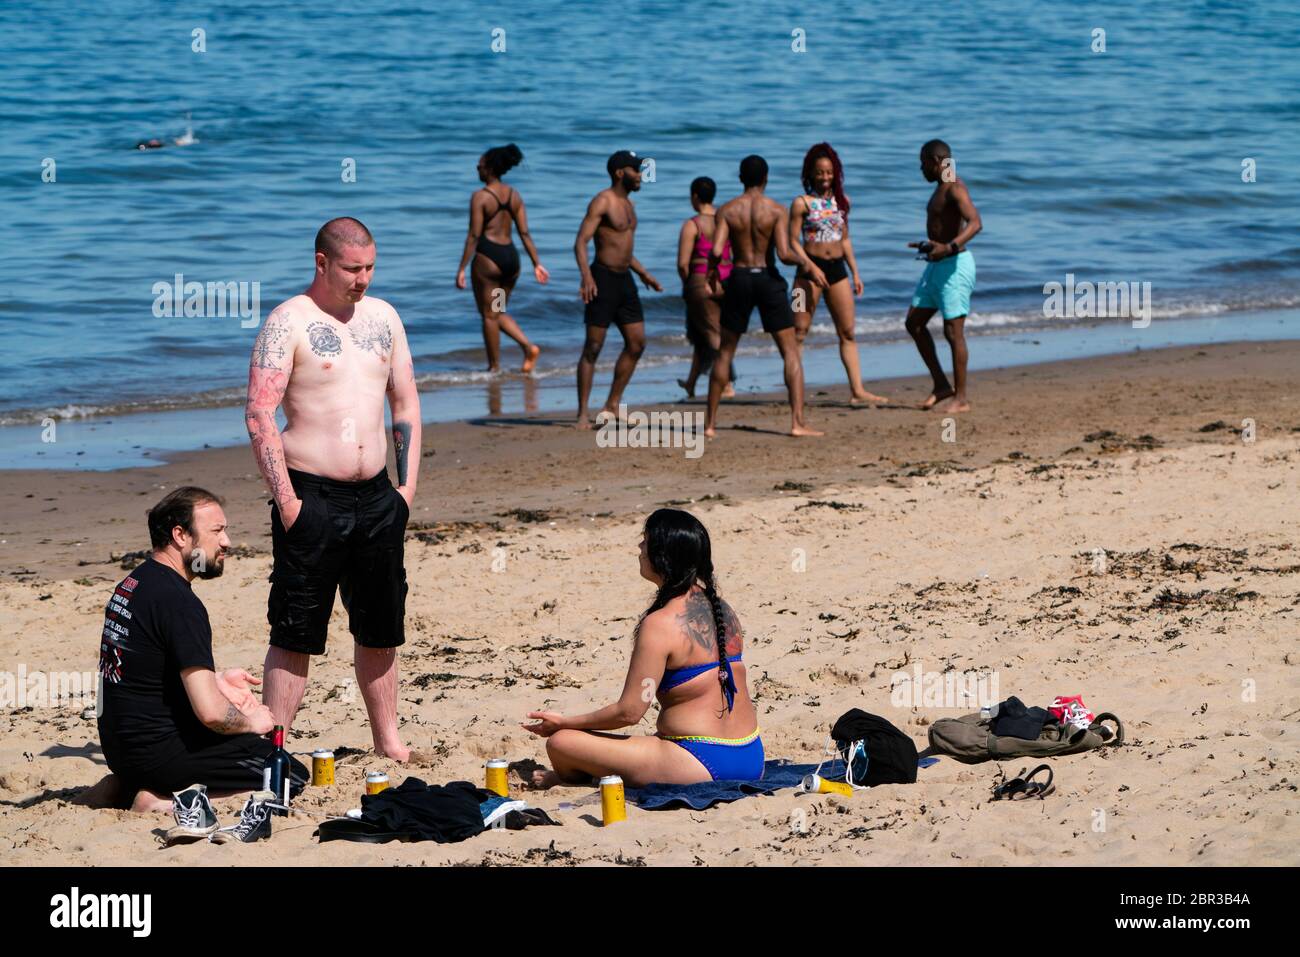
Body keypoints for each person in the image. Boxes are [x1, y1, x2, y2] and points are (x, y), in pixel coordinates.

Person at [245, 217, 421, 762]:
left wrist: (406, 490)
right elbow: (258, 413)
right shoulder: (288, 321)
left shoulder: (384, 317)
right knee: (296, 628)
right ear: (322, 262)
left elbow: (406, 405)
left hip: (377, 498)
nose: (363, 278)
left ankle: (387, 740)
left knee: (381, 624)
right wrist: (289, 503)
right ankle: (274, 748)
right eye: (352, 268)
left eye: (370, 266)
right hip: (310, 495)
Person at [91, 487, 308, 813]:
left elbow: (148, 672)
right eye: (217, 531)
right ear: (180, 535)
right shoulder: (180, 603)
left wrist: (217, 681)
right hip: (160, 754)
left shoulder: (134, 584)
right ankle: (161, 801)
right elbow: (212, 714)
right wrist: (252, 720)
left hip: (121, 752)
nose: (227, 542)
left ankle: (123, 787)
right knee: (288, 775)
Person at [524, 508, 763, 787]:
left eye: (645, 541)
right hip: (750, 755)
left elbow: (630, 712)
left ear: (662, 557)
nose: (639, 548)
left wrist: (564, 722)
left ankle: (576, 778)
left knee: (562, 743)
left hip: (698, 760)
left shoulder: (660, 624)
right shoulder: (724, 611)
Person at [705, 155, 828, 438]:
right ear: (765, 178)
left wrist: (712, 273)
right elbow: (784, 254)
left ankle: (710, 425)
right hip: (767, 279)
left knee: (725, 351)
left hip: (739, 278)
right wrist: (806, 265)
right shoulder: (776, 210)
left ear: (740, 178)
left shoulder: (726, 210)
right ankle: (797, 423)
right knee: (790, 351)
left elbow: (715, 251)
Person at [789, 143, 888, 404]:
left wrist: (855, 273)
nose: (824, 178)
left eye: (829, 173)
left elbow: (845, 241)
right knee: (798, 332)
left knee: (848, 332)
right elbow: (792, 242)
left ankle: (857, 390)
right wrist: (810, 267)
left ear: (836, 173)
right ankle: (794, 390)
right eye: (820, 173)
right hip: (806, 273)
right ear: (810, 174)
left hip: (837, 272)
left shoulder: (843, 203)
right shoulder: (801, 204)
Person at [574, 150, 663, 428]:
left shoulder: (629, 205)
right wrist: (586, 276)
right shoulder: (603, 201)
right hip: (602, 278)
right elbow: (581, 242)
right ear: (620, 172)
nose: (641, 175)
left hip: (626, 280)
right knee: (593, 347)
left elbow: (622, 247)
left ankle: (612, 404)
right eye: (636, 170)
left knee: (637, 343)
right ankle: (582, 415)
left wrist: (644, 273)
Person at [455, 143, 548, 373]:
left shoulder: (480, 197)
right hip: (511, 260)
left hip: (489, 260)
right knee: (497, 311)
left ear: (488, 168)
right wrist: (537, 263)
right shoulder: (514, 195)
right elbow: (524, 232)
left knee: (489, 316)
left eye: (480, 164)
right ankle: (528, 347)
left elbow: (474, 235)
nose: (477, 167)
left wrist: (462, 268)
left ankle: (494, 368)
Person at [904, 139, 982, 413]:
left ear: (936, 162)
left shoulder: (955, 188)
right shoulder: (940, 189)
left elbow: (976, 223)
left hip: (955, 265)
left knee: (953, 331)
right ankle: (941, 385)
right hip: (936, 265)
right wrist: (929, 246)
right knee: (913, 323)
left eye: (923, 162)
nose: (921, 168)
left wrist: (948, 247)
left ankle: (961, 398)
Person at [676, 176, 736, 399]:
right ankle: (690, 383)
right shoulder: (724, 220)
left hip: (701, 281)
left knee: (712, 334)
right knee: (702, 334)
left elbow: (683, 264)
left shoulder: (693, 225)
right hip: (726, 279)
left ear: (694, 197)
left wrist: (688, 286)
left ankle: (727, 382)